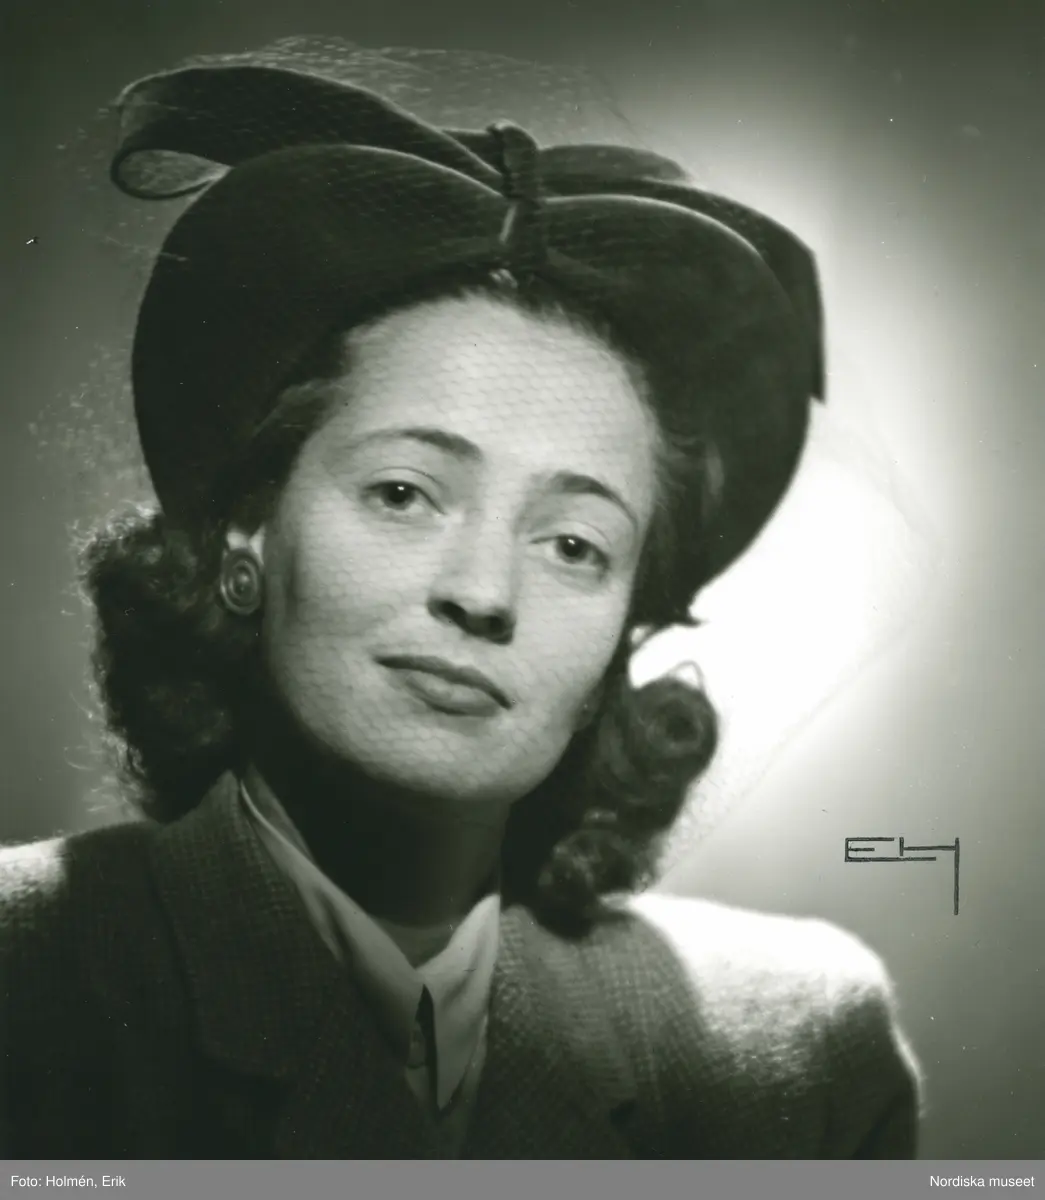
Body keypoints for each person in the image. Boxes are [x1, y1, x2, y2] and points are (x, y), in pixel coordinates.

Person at [0, 50, 923, 1159]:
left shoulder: (799, 1051)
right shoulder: (30, 975)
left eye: (574, 545)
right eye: (403, 493)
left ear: (623, 632)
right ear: (251, 528)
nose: (482, 594)